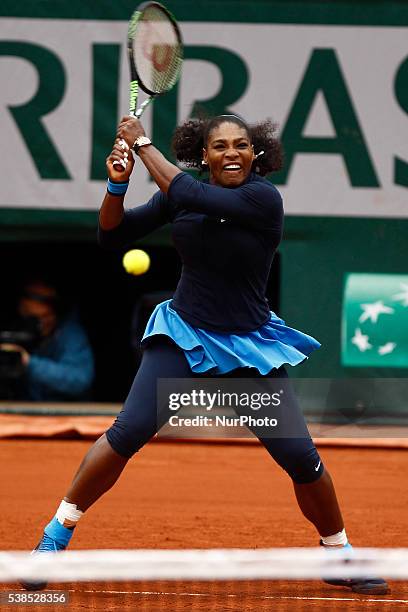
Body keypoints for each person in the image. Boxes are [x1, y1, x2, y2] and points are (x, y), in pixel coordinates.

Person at [24, 114, 388, 595]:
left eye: (242, 145)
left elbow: (190, 195)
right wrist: (116, 187)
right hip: (184, 338)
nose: (233, 153)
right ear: (204, 155)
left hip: (248, 351)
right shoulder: (180, 195)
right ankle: (52, 541)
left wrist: (143, 143)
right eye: (220, 146)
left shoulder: (262, 198)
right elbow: (112, 237)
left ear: (256, 153)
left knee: (301, 457)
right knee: (125, 434)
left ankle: (339, 553)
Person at [0, 279, 94, 401]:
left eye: (45, 316)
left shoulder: (70, 335)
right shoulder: (14, 330)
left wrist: (27, 363)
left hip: (64, 415)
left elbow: (79, 379)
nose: (40, 323)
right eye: (32, 317)